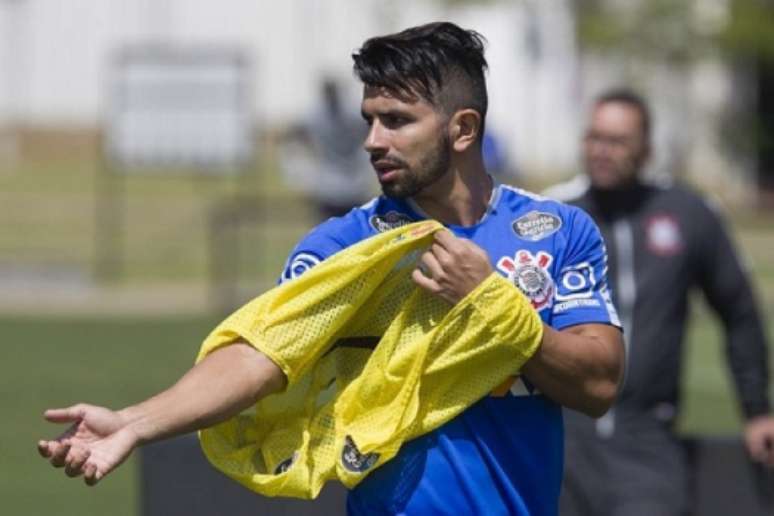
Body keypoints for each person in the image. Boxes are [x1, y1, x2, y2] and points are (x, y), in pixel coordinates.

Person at [38, 22, 624, 515]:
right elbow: (259, 355)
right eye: (369, 118)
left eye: (396, 121)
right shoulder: (344, 243)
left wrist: (495, 307)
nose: (372, 140)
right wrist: (135, 422)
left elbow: (597, 385)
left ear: (462, 129)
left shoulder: (557, 231)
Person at [549, 89, 774, 516]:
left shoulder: (688, 213)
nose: (601, 151)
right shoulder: (555, 214)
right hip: (563, 435)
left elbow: (739, 310)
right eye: (594, 138)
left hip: (649, 439)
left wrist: (757, 410)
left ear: (646, 150)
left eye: (617, 142)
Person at [281, 77, 374, 222]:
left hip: (333, 187)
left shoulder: (314, 116)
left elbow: (291, 138)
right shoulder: (356, 114)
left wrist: (297, 175)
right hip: (350, 186)